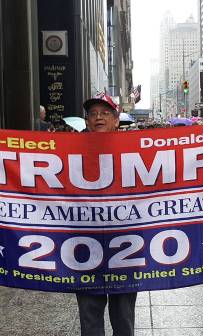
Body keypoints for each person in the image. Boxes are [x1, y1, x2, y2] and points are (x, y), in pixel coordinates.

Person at [75, 94, 137, 336]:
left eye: (105, 113)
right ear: (87, 121)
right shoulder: (69, 151)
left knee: (123, 317)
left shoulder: (133, 149)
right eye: (93, 113)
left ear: (116, 121)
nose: (98, 117)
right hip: (84, 245)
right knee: (89, 316)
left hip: (125, 246)